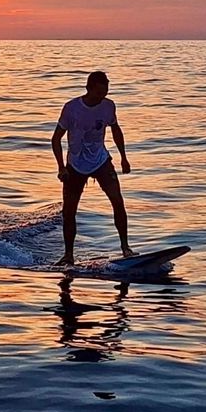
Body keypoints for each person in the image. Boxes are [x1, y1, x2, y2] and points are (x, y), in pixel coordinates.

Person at [51, 70, 134, 266]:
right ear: (88, 89)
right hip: (76, 164)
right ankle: (68, 255)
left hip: (101, 161)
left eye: (105, 92)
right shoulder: (71, 109)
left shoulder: (108, 106)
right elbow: (56, 138)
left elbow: (115, 128)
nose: (102, 96)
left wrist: (124, 157)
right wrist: (61, 167)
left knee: (117, 201)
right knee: (69, 211)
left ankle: (125, 248)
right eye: (98, 92)